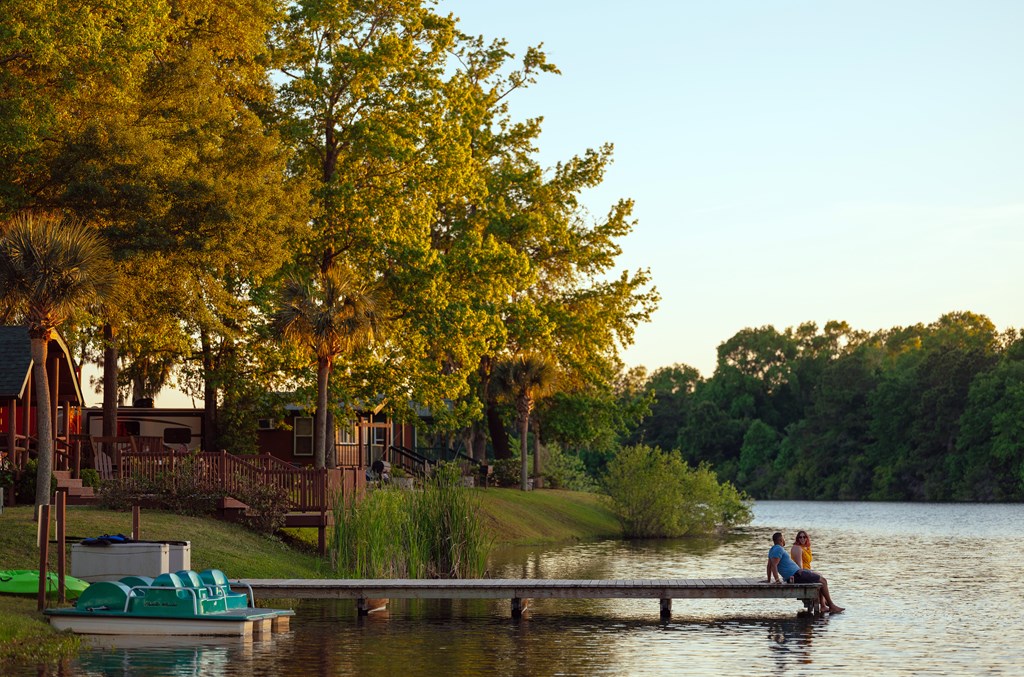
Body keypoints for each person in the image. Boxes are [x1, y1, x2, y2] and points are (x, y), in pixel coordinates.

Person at [766, 531, 844, 614]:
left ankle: (824, 606)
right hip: (796, 575)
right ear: (781, 539)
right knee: (823, 581)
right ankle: (831, 606)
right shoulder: (778, 549)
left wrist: (768, 580)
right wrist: (777, 581)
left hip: (797, 574)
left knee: (819, 579)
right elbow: (773, 566)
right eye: (783, 538)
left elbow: (769, 566)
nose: (784, 540)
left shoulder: (772, 549)